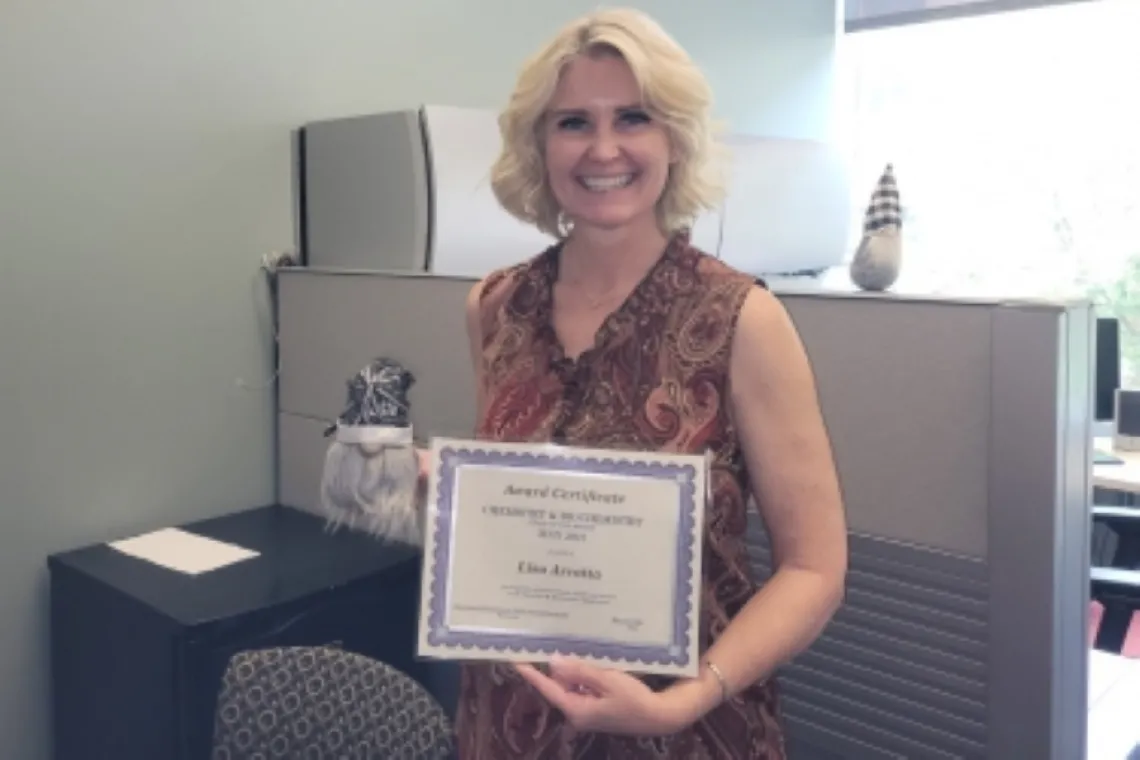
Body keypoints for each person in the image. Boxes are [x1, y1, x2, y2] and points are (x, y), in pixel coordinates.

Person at [448, 8, 847, 758]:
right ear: (540, 143)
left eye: (633, 117)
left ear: (673, 138)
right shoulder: (495, 307)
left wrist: (688, 699)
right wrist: (449, 503)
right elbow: (521, 511)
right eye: (572, 122)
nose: (604, 148)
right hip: (513, 722)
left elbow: (814, 568)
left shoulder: (742, 319)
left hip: (684, 727)